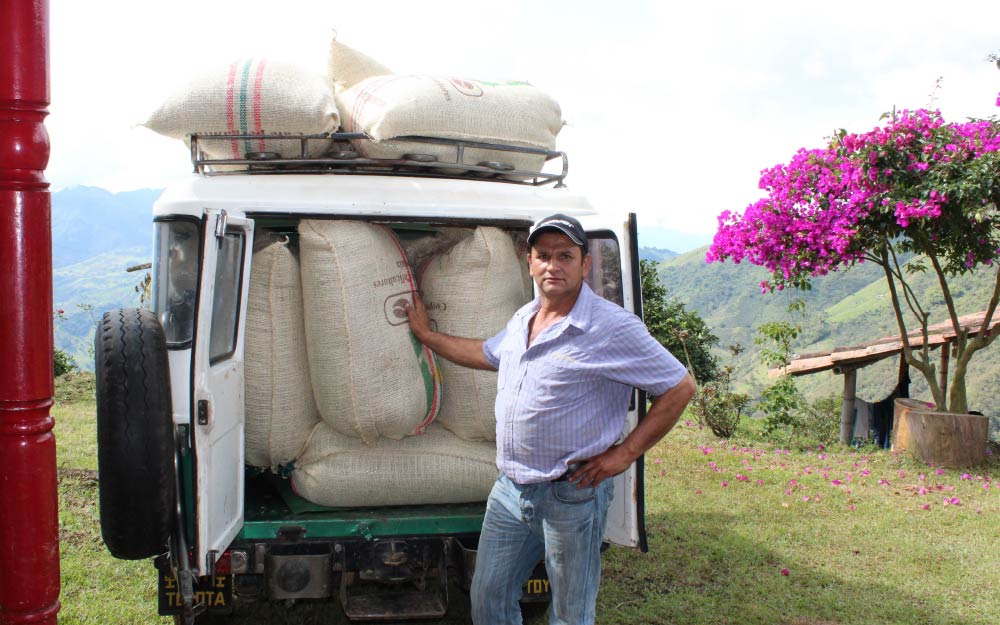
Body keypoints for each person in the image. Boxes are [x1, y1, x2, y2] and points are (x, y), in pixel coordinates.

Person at [404, 213, 695, 625]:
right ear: (529, 262)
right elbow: (486, 354)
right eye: (543, 256)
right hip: (510, 489)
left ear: (585, 264)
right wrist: (429, 336)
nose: (552, 266)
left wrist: (625, 454)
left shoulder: (610, 327)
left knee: (569, 613)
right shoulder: (524, 318)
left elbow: (679, 387)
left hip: (571, 494)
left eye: (565, 256)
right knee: (488, 598)